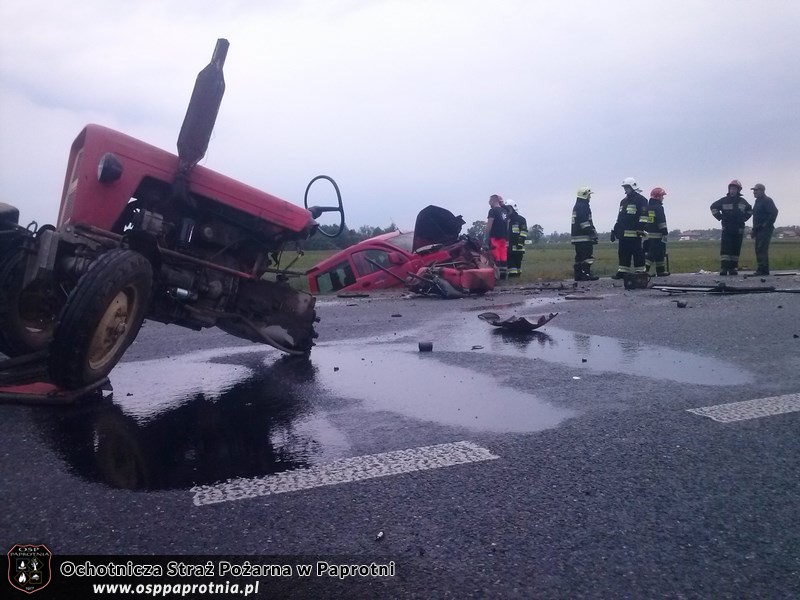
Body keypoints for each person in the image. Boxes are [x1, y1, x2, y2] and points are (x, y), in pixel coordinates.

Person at [710, 179, 753, 275]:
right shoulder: (723, 200)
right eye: (731, 188)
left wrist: (744, 219)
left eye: (734, 189)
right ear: (729, 189)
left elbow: (750, 211)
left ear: (738, 190)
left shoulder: (743, 202)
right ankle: (724, 268)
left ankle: (733, 268)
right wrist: (720, 217)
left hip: (738, 229)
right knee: (726, 249)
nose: (732, 190)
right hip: (727, 228)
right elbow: (713, 207)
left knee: (735, 249)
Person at [610, 177, 648, 279]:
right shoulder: (623, 201)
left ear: (633, 187)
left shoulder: (641, 200)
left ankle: (640, 272)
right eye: (624, 187)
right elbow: (620, 217)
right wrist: (615, 230)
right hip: (623, 234)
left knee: (637, 253)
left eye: (627, 187)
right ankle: (622, 272)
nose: (625, 189)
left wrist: (641, 228)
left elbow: (644, 215)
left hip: (635, 234)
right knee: (623, 253)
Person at [570, 186, 599, 281]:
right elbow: (585, 223)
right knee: (587, 256)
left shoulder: (578, 205)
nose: (590, 197)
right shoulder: (583, 206)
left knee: (579, 256)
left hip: (577, 237)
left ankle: (578, 275)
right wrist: (592, 232)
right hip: (584, 237)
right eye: (589, 195)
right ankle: (586, 274)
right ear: (585, 195)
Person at [750, 183, 779, 275]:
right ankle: (762, 268)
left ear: (762, 191)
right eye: (753, 191)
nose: (754, 192)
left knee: (761, 248)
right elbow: (756, 217)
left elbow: (774, 212)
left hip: (765, 229)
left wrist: (765, 224)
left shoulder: (767, 200)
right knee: (758, 249)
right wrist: (754, 230)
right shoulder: (757, 201)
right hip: (758, 229)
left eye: (756, 190)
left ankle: (763, 269)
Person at [644, 187, 670, 276]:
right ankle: (645, 270)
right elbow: (661, 220)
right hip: (658, 234)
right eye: (662, 196)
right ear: (658, 197)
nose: (663, 198)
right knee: (654, 253)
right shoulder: (659, 208)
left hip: (649, 234)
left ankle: (660, 270)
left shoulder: (648, 207)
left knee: (659, 252)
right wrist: (665, 231)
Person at [485, 194, 509, 280]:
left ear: (492, 201)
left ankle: (496, 276)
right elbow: (506, 225)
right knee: (503, 255)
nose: (489, 203)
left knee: (495, 255)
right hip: (504, 237)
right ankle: (503, 275)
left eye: (489, 201)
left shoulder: (492, 211)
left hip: (494, 236)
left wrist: (485, 236)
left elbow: (489, 224)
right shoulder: (504, 211)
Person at [506, 201, 528, 278]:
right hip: (509, 247)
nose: (507, 211)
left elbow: (524, 232)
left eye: (509, 208)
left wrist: (520, 243)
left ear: (513, 208)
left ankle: (517, 276)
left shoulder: (521, 219)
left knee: (518, 262)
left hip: (519, 246)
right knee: (511, 262)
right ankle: (513, 276)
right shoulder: (507, 220)